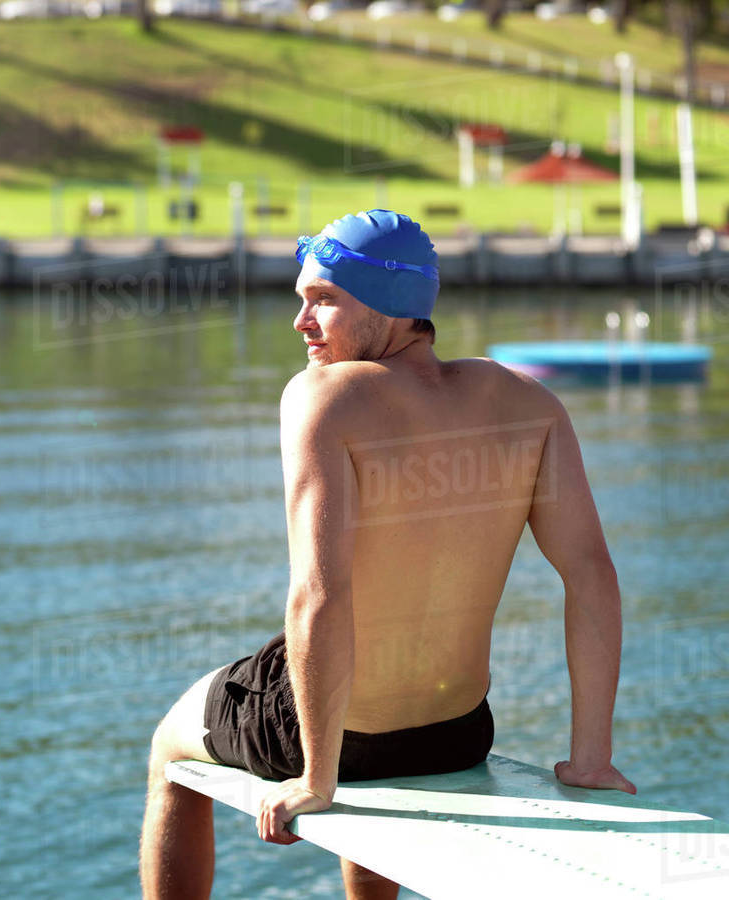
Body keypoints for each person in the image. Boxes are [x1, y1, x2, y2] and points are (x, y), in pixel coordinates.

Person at [139, 210, 636, 900]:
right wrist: (591, 758)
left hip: (344, 737)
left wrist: (317, 779)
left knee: (168, 750)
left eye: (325, 299)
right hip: (457, 731)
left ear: (391, 305)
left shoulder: (325, 398)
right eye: (301, 300)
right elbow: (591, 575)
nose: (301, 321)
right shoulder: (530, 403)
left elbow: (320, 594)